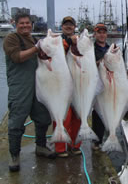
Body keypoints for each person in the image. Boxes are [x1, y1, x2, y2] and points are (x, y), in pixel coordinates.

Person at [3, 13, 56, 172]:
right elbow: (18, 57)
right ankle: (14, 156)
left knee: (43, 118)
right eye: (22, 23)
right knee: (16, 122)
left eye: (27, 23)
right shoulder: (11, 39)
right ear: (15, 24)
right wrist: (36, 48)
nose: (25, 26)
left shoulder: (32, 39)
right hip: (20, 87)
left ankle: (40, 146)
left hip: (38, 86)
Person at [53, 16, 82, 157]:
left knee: (78, 117)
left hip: (78, 85)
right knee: (62, 117)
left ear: (75, 26)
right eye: (66, 24)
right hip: (61, 86)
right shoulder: (57, 41)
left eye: (71, 24)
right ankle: (60, 148)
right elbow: (54, 54)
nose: (69, 27)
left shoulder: (81, 41)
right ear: (62, 26)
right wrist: (69, 42)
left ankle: (75, 145)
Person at [91, 23, 109, 150]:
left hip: (110, 84)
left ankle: (107, 136)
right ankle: (96, 141)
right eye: (99, 32)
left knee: (108, 110)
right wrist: (101, 61)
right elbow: (89, 66)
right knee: (97, 112)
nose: (102, 35)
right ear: (95, 34)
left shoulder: (110, 48)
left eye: (103, 32)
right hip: (97, 84)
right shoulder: (91, 49)